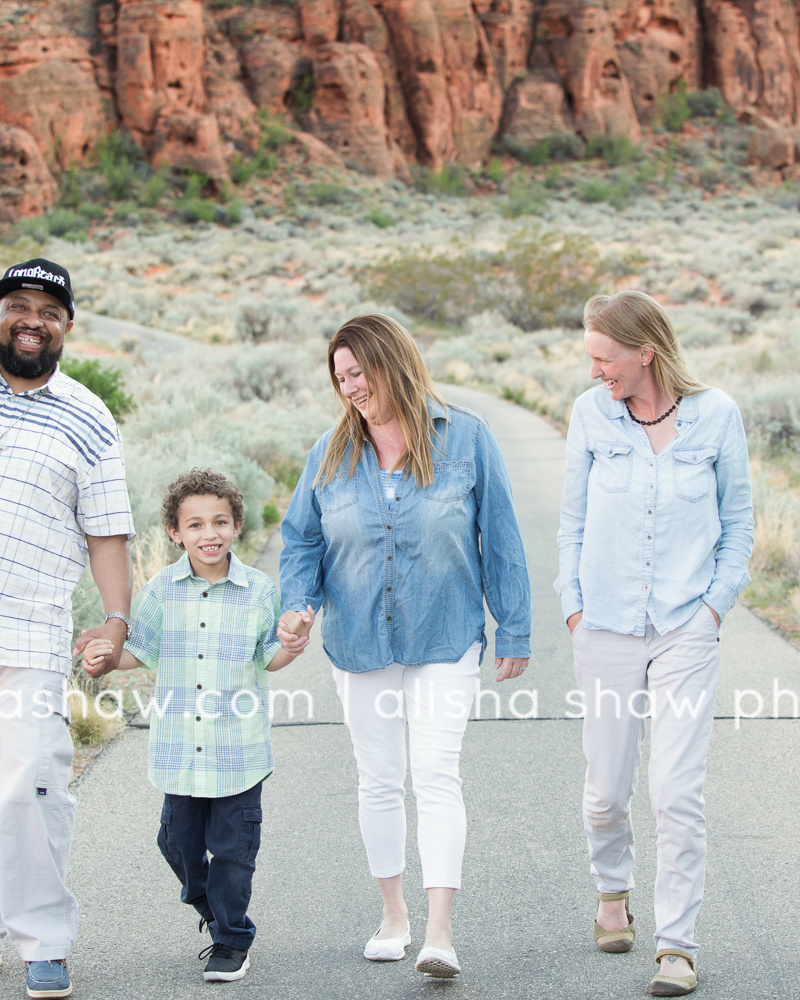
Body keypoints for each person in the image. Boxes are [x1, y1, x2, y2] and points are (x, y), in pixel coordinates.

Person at [277, 313, 531, 978]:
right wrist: (299, 603)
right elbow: (301, 537)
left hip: (445, 637)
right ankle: (393, 917)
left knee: (437, 775)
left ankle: (440, 931)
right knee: (380, 781)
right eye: (340, 378)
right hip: (358, 640)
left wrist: (515, 626)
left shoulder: (467, 437)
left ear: (393, 361)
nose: (351, 388)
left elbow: (499, 536)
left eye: (359, 372)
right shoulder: (330, 453)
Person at [555, 291, 753, 997]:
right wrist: (573, 608)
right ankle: (612, 890)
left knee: (675, 790)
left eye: (606, 357)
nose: (596, 369)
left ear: (647, 351)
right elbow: (571, 520)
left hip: (685, 631)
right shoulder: (590, 414)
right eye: (591, 357)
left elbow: (739, 526)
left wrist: (712, 611)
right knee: (607, 791)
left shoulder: (717, 415)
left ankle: (677, 943)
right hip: (604, 624)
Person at [81, 469, 312, 983]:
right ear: (175, 532)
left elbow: (267, 657)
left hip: (238, 750)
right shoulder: (162, 591)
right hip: (180, 750)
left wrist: (291, 646)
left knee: (233, 851)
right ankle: (215, 910)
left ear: (236, 527)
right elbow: (137, 652)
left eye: (220, 522)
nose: (209, 534)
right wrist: (104, 657)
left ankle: (232, 939)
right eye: (196, 525)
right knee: (177, 845)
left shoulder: (258, 590)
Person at [0, 258, 135, 999]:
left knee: (31, 784)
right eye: (17, 304)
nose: (32, 319)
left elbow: (108, 532)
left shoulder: (87, 415)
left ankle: (42, 941)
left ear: (67, 328)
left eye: (48, 311)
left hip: (29, 628)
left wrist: (115, 620)